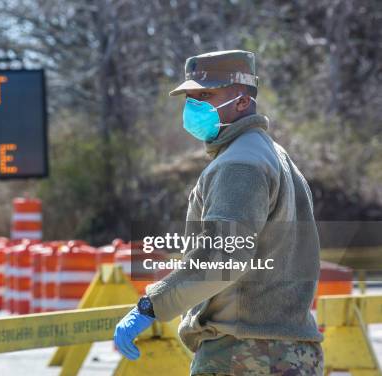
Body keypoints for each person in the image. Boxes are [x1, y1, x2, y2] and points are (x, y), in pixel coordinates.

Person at [114, 50, 324, 375]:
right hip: (289, 352)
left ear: (242, 101)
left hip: (243, 354)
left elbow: (224, 256)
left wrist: (150, 306)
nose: (193, 106)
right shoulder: (274, 156)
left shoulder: (238, 164)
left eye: (206, 95)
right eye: (191, 97)